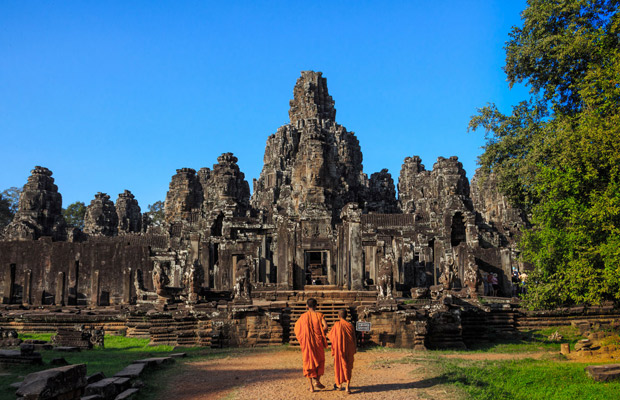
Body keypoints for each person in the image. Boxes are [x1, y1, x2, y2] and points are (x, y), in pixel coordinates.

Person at [294, 298, 328, 392]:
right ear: (316, 306)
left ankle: (311, 387)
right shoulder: (320, 315)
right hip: (318, 343)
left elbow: (297, 329)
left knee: (308, 362)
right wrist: (321, 333)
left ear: (306, 306)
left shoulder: (302, 317)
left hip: (307, 343)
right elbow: (325, 327)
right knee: (320, 361)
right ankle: (317, 381)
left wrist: (303, 337)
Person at [328, 308, 357, 394]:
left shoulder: (336, 325)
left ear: (338, 316)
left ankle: (339, 385)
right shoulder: (350, 325)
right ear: (346, 316)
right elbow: (354, 339)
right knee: (348, 367)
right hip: (349, 350)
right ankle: (347, 387)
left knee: (339, 366)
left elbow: (331, 337)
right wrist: (354, 348)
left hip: (339, 351)